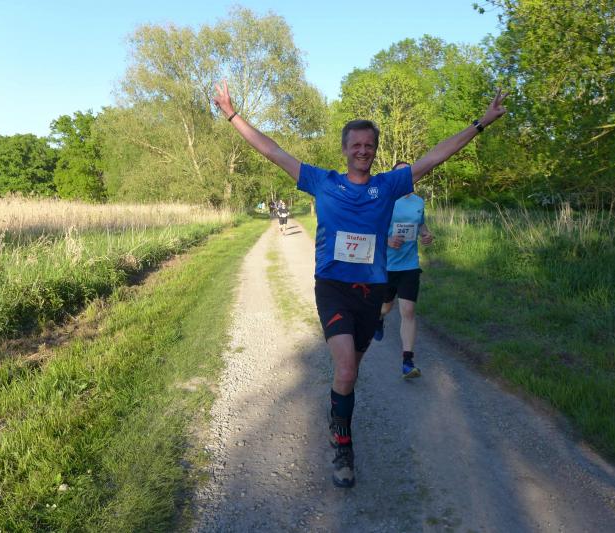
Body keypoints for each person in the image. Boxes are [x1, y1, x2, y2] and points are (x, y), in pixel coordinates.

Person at [214, 79, 505, 488]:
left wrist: (480, 123)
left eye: (369, 145)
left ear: (375, 150)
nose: (363, 151)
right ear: (345, 149)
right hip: (333, 286)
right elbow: (272, 150)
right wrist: (232, 114)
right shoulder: (322, 182)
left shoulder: (388, 186)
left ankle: (338, 414)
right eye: (356, 145)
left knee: (350, 373)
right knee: (347, 369)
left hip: (371, 292)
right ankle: (343, 447)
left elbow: (435, 156)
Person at [373, 162, 433, 379]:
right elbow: (371, 229)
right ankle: (379, 318)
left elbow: (421, 225)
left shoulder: (418, 201)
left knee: (408, 311)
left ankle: (407, 361)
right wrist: (387, 240)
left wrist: (426, 235)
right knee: (385, 307)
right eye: (399, 174)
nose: (404, 177)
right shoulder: (385, 200)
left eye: (407, 173)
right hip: (387, 265)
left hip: (410, 265)